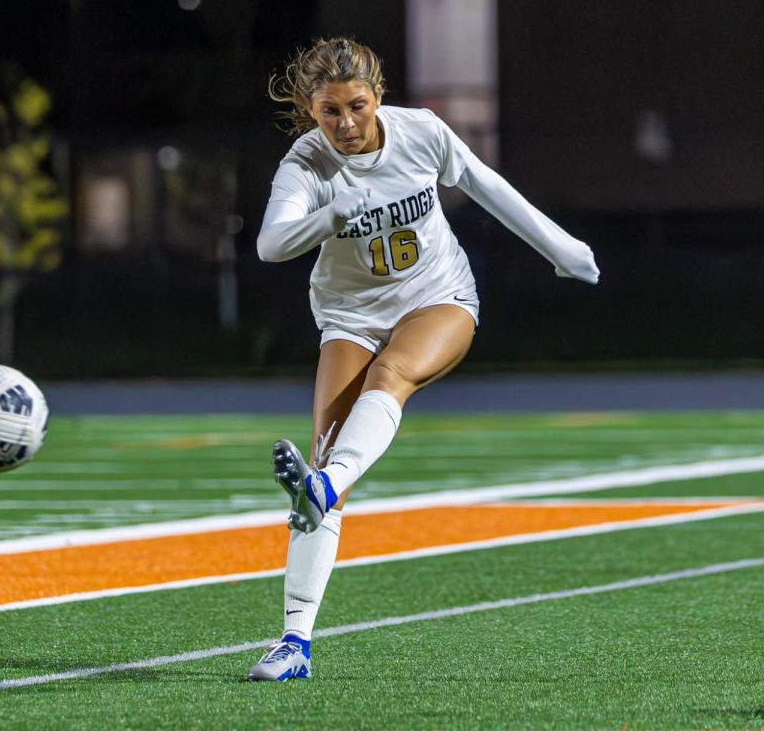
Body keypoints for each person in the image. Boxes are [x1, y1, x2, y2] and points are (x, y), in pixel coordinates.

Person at [247, 38, 599, 681]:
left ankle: (322, 489)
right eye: (330, 112)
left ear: (378, 94)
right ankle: (294, 643)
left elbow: (487, 185)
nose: (346, 124)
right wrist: (328, 215)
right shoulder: (306, 162)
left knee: (388, 380)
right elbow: (271, 245)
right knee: (324, 466)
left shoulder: (419, 133)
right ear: (310, 110)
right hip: (350, 315)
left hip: (438, 296)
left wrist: (560, 246)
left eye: (357, 106)